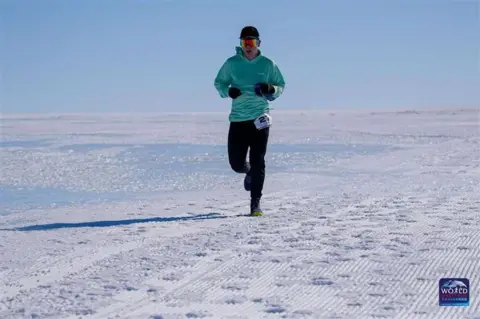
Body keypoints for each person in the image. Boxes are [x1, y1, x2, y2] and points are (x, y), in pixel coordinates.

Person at [214, 25, 286, 216]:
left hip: (260, 119)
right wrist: (228, 91)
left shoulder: (268, 64)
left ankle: (255, 204)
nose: (248, 46)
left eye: (251, 42)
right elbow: (219, 82)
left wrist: (270, 89)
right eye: (244, 42)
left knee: (258, 161)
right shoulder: (231, 63)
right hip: (238, 119)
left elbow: (281, 85)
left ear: (258, 43)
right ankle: (247, 172)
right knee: (236, 163)